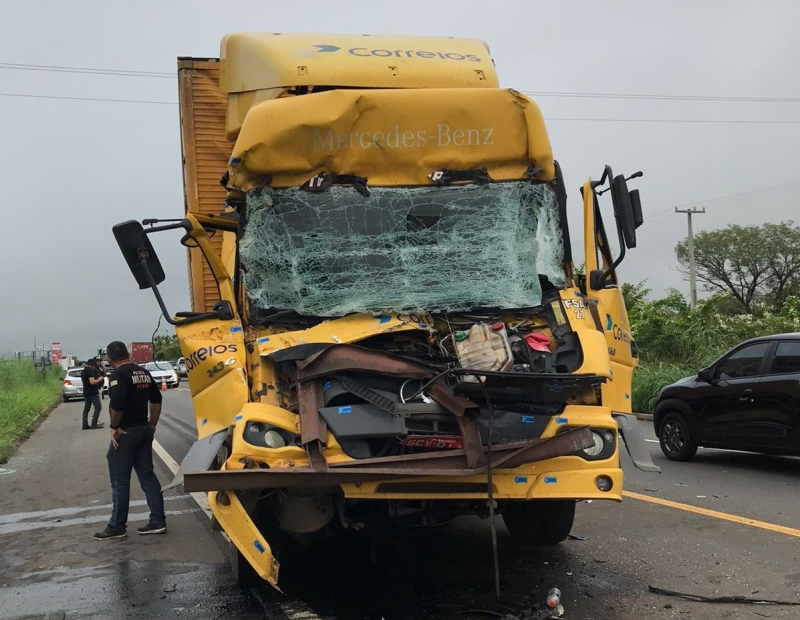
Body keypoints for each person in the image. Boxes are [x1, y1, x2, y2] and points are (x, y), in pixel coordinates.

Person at [93, 341, 167, 541]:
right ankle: (158, 521)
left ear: (109, 359)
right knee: (148, 477)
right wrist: (152, 424)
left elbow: (117, 405)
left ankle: (117, 526)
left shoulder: (117, 376)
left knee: (120, 481)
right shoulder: (142, 372)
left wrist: (114, 427)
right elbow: (157, 399)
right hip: (144, 430)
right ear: (127, 354)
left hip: (126, 433)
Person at [80, 358, 105, 430]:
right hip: (92, 392)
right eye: (94, 366)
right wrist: (99, 379)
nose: (94, 367)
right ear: (91, 365)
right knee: (98, 407)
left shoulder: (83, 371)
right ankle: (94, 424)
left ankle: (85, 424)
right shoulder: (90, 371)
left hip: (86, 392)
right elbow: (92, 382)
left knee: (86, 409)